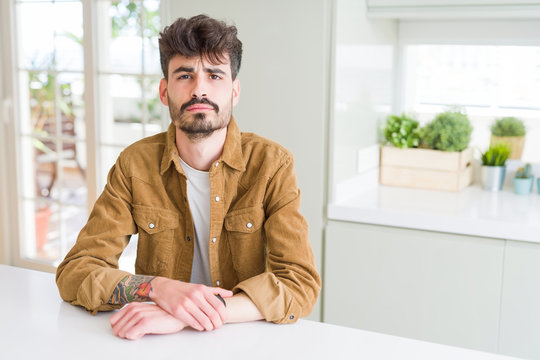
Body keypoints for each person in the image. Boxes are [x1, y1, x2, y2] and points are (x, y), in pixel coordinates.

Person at [55, 14, 320, 340]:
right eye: (185, 75)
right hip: (154, 342)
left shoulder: (272, 164)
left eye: (214, 75)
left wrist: (193, 313)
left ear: (234, 91)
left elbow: (299, 282)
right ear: (165, 91)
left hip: (244, 340)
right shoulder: (134, 165)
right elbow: (75, 271)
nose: (200, 90)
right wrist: (156, 289)